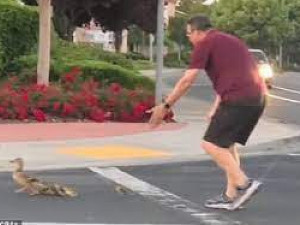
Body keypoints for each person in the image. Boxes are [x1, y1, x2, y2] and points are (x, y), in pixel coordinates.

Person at [148, 15, 267, 210]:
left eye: (188, 34)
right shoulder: (230, 40)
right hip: (256, 98)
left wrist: (166, 106)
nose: (189, 38)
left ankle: (245, 184)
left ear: (197, 32)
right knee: (226, 146)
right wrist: (216, 106)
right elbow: (235, 74)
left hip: (238, 99)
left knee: (210, 144)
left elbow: (188, 79)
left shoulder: (205, 43)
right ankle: (231, 196)